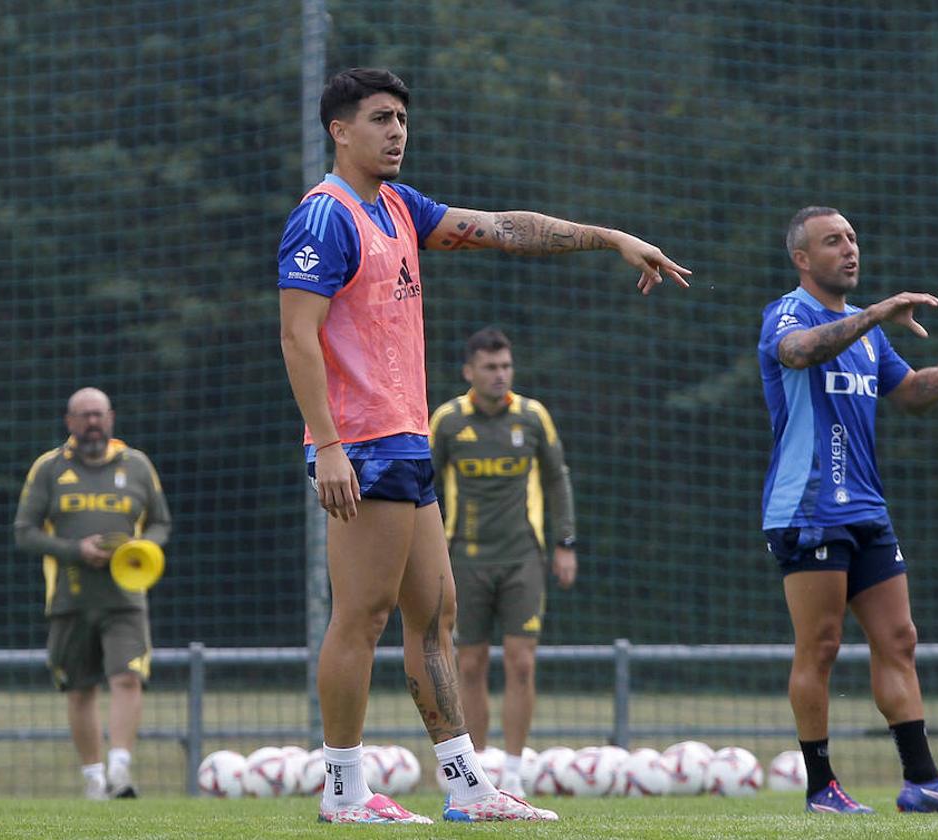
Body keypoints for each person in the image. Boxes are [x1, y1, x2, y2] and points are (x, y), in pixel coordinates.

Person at [278, 67, 689, 825]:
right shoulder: (325, 216)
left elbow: (502, 227)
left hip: (402, 439)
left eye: (401, 116)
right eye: (379, 117)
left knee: (435, 615)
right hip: (361, 444)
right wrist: (327, 446)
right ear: (340, 130)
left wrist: (609, 238)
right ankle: (341, 790)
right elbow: (297, 336)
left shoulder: (398, 205)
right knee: (360, 618)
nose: (396, 129)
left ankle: (467, 788)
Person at [758, 206, 938, 815]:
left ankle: (923, 782)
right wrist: (876, 312)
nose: (849, 249)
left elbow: (913, 393)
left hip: (867, 508)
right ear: (802, 258)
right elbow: (797, 354)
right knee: (821, 645)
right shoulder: (788, 313)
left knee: (899, 638)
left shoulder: (867, 331)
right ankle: (822, 788)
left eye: (852, 238)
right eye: (832, 241)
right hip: (807, 507)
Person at [429, 327, 577, 798]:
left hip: (522, 558)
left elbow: (557, 479)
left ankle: (513, 769)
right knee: (468, 665)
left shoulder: (532, 417)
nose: (500, 375)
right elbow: (423, 489)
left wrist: (565, 542)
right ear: (469, 371)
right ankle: (479, 770)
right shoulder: (448, 421)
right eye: (490, 367)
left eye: (506, 366)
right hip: (465, 559)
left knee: (521, 662)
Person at [14, 388, 171, 800]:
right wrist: (75, 550)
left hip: (126, 596)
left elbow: (161, 524)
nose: (92, 423)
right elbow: (24, 531)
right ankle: (93, 779)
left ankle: (120, 770)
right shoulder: (48, 468)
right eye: (83, 416)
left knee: (127, 677)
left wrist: (138, 549)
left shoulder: (137, 465)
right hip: (70, 597)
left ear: (111, 418)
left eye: (98, 415)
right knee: (80, 687)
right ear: (70, 422)